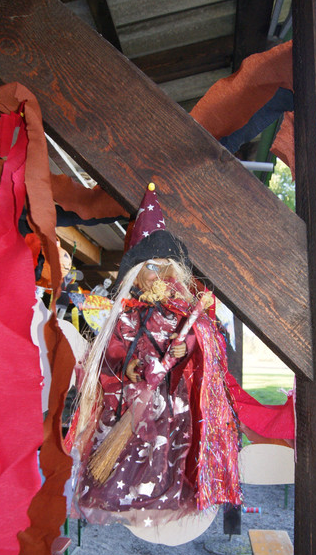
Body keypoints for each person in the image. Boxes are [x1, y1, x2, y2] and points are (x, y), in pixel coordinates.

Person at [69, 184, 243, 527]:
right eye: (151, 266)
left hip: (168, 397)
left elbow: (203, 341)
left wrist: (186, 346)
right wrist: (127, 365)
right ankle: (120, 493)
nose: (160, 274)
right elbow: (112, 350)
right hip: (132, 397)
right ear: (136, 272)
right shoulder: (126, 314)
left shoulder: (182, 313)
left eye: (166, 266)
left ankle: (163, 493)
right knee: (129, 447)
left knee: (165, 447)